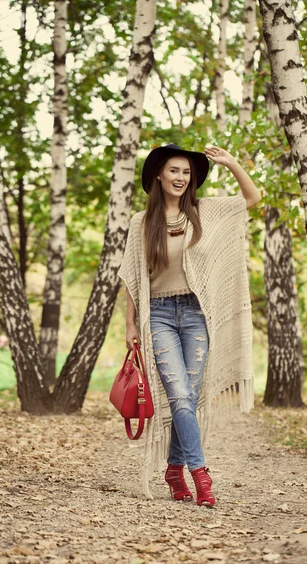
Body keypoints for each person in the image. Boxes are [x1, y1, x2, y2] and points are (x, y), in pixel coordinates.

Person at [118, 143, 261, 506]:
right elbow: (133, 279)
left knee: (189, 399)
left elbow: (252, 198)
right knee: (180, 395)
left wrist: (230, 162)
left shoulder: (205, 211)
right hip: (161, 315)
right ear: (159, 176)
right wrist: (130, 324)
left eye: (186, 172)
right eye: (173, 171)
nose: (180, 178)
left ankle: (173, 469)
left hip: (197, 315)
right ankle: (201, 476)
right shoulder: (141, 222)